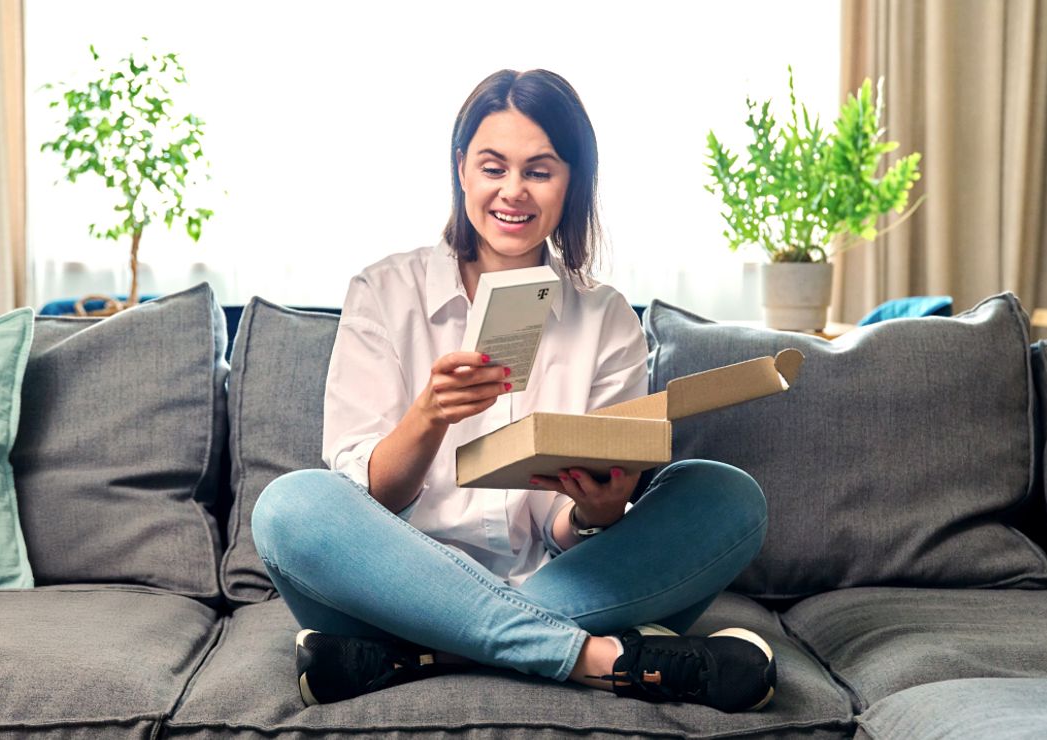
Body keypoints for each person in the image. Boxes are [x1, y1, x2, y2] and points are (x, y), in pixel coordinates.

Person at [250, 69, 775, 713]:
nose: (513, 192)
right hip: (389, 587)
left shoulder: (605, 318)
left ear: (571, 182)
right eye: (493, 167)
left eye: (540, 170)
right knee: (289, 507)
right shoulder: (384, 293)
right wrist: (429, 417)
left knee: (726, 496)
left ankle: (416, 659)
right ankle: (602, 659)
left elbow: (563, 532)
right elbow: (371, 499)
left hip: (557, 583)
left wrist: (595, 513)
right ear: (461, 170)